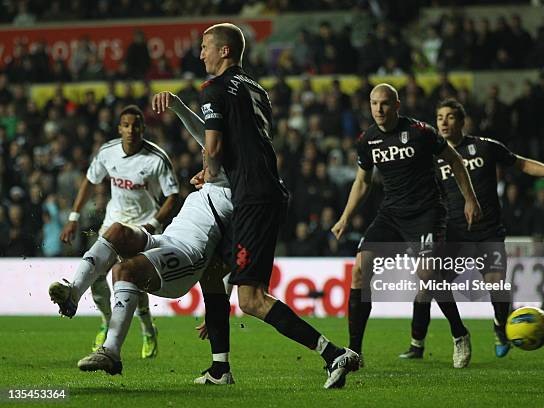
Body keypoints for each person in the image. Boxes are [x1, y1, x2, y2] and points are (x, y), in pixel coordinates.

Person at [191, 22, 359, 389]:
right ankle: (220, 368)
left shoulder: (213, 89)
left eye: (205, 46)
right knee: (214, 268)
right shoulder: (255, 88)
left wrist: (208, 172)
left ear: (225, 51)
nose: (200, 53)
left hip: (252, 195)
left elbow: (214, 148)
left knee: (250, 299)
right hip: (265, 189)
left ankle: (333, 354)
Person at [400, 98, 544, 359]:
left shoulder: (485, 147)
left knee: (496, 284)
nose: (444, 122)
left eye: (450, 117)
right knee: (427, 284)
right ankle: (417, 344)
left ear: (462, 121)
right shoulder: (433, 158)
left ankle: (499, 325)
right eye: (439, 118)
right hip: (453, 235)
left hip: (487, 233)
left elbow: (521, 163)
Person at [332, 83, 482, 369]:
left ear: (397, 106)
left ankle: (459, 333)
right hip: (392, 214)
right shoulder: (369, 139)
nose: (379, 109)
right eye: (374, 103)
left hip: (427, 212)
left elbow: (455, 159)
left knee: (427, 276)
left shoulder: (420, 132)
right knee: (360, 269)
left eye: (385, 103)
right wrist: (345, 217)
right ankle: (354, 351)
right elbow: (362, 181)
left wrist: (470, 200)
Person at [74, 155, 233, 383]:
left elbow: (225, 265)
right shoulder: (202, 193)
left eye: (209, 161)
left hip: (187, 255)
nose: (204, 163)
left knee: (124, 271)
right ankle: (73, 293)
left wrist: (183, 115)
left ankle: (110, 351)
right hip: (166, 240)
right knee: (117, 230)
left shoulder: (233, 199)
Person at [49, 105, 179, 359]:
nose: (131, 130)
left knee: (134, 281)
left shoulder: (156, 158)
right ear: (119, 128)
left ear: (143, 128)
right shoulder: (108, 152)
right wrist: (74, 217)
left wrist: (153, 223)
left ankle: (147, 329)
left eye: (136, 126)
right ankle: (105, 319)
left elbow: (173, 196)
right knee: (98, 277)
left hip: (143, 227)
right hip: (113, 223)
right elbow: (89, 180)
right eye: (126, 125)